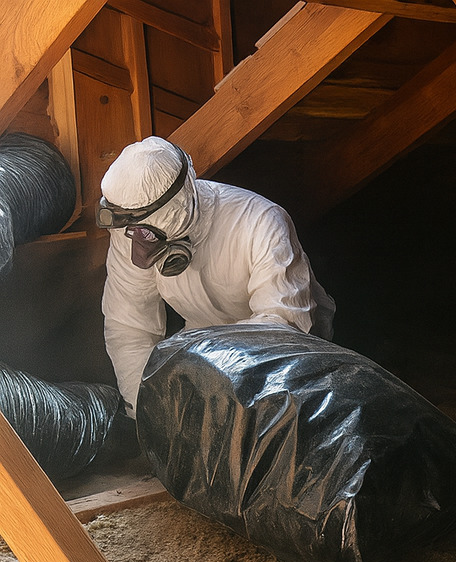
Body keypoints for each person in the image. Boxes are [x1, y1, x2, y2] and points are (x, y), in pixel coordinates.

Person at [97, 136, 335, 418]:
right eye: (133, 230)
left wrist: (208, 384)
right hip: (203, 352)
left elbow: (281, 329)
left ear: (181, 202)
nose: (139, 250)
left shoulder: (260, 221)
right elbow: (129, 326)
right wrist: (146, 411)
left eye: (149, 232)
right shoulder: (133, 235)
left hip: (290, 353)